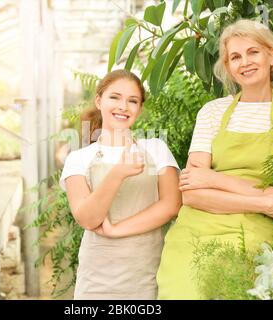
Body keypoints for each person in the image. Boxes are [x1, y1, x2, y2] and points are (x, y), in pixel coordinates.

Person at [156, 19, 273, 299]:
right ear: (228, 67)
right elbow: (193, 195)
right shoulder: (211, 112)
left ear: (272, 55)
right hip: (194, 231)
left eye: (253, 52)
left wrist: (213, 178)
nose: (244, 62)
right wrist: (264, 202)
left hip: (249, 233)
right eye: (235, 56)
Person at [60, 69, 182, 299]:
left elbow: (171, 205)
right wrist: (117, 174)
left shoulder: (155, 148)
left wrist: (116, 230)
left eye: (132, 101)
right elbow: (87, 218)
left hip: (148, 271)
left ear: (140, 108)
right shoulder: (79, 159)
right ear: (99, 100)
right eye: (114, 97)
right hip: (97, 277)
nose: (123, 106)